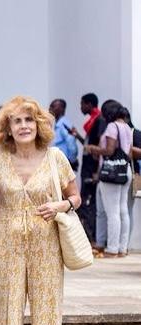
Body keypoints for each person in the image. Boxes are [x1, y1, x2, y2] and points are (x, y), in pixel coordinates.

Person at [0, 97, 81, 325]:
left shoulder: (55, 158)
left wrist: (60, 206)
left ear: (38, 124)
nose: (24, 126)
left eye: (29, 120)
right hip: (8, 246)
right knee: (9, 319)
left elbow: (75, 196)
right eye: (17, 121)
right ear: (8, 128)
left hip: (47, 247)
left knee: (47, 319)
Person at [86, 99, 133, 257]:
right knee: (122, 210)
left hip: (112, 173)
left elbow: (109, 150)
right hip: (124, 170)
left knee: (112, 212)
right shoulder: (126, 127)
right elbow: (129, 153)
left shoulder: (113, 127)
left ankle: (112, 249)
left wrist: (93, 148)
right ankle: (122, 248)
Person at [74, 93, 106, 248]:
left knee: (89, 204)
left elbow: (98, 147)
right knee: (86, 203)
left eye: (82, 104)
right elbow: (88, 146)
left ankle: (93, 239)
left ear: (89, 104)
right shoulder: (92, 121)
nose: (81, 107)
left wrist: (97, 171)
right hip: (86, 168)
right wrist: (77, 136)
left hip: (92, 170)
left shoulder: (99, 120)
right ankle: (90, 238)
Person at [49, 99, 80, 168]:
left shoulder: (64, 124)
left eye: (53, 106)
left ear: (61, 109)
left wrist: (71, 161)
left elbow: (72, 144)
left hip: (65, 164)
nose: (50, 109)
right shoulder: (58, 124)